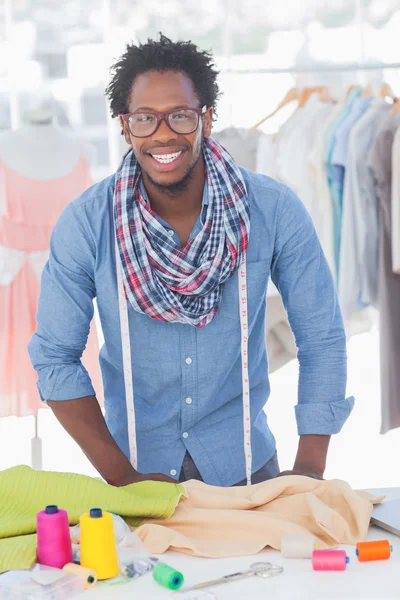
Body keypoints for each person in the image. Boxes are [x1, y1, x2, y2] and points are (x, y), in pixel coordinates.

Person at [29, 34, 354, 488]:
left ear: (207, 118)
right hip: (133, 472)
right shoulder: (87, 222)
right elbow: (55, 358)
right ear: (125, 127)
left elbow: (321, 338)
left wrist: (308, 472)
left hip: (248, 471)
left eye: (179, 115)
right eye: (145, 118)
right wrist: (124, 478)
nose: (163, 133)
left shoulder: (272, 208)